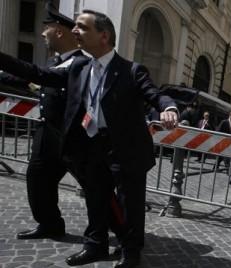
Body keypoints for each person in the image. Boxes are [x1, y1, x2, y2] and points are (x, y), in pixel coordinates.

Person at [0, 9, 178, 268]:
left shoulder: (131, 70)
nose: (74, 31)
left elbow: (155, 94)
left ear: (103, 36)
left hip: (126, 148)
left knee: (130, 203)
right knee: (97, 197)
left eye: (82, 27)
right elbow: (38, 74)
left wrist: (169, 108)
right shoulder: (79, 67)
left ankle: (131, 252)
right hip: (91, 145)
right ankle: (95, 245)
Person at [0, 3, 124, 244]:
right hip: (48, 133)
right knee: (38, 179)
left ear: (59, 31)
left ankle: (124, 231)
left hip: (75, 138)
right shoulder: (54, 63)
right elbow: (28, 77)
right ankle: (50, 224)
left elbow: (36, 74)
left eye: (47, 29)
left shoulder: (84, 64)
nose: (43, 34)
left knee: (96, 189)